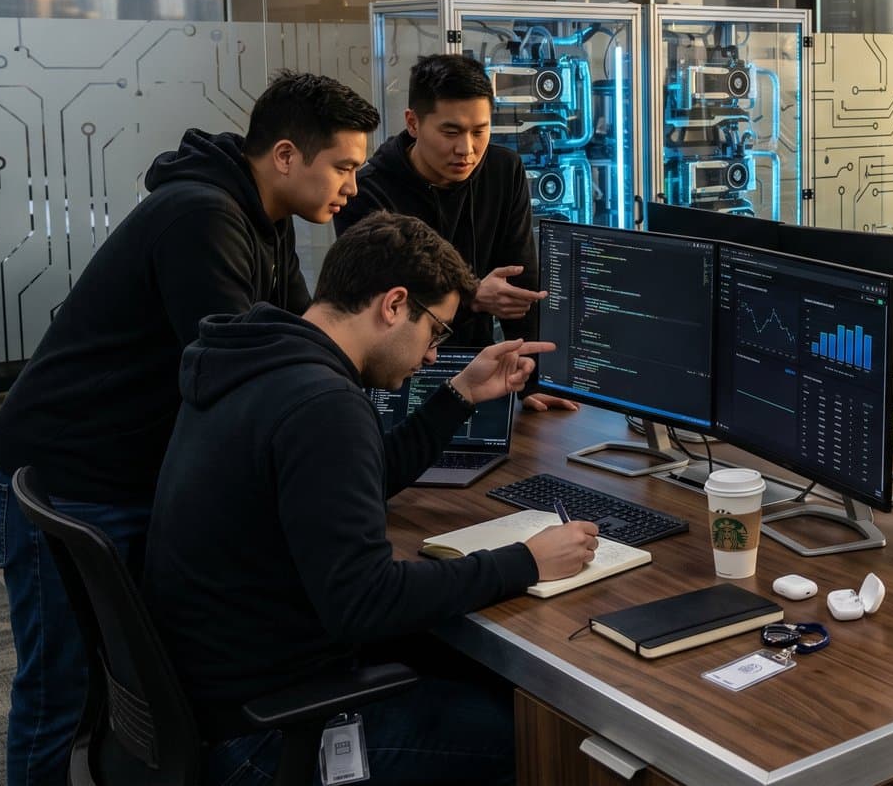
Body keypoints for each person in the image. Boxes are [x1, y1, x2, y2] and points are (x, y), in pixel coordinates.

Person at [0, 71, 379, 786]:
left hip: (117, 472)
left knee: (130, 683)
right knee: (59, 691)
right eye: (344, 167)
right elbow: (245, 369)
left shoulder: (265, 216)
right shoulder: (202, 217)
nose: (352, 186)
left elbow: (300, 341)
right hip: (64, 472)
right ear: (287, 156)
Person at [145, 211, 598, 785]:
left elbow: (349, 480)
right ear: (393, 304)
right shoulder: (323, 405)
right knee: (552, 742)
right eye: (435, 331)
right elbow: (366, 601)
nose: (434, 355)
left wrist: (458, 397)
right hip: (272, 734)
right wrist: (527, 561)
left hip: (215, 699)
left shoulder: (257, 360)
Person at [336, 54, 573, 413]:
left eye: (480, 131)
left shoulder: (503, 171)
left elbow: (520, 285)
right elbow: (383, 307)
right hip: (393, 376)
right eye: (451, 132)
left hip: (480, 371)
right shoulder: (367, 191)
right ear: (413, 123)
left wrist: (531, 379)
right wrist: (473, 295)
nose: (467, 149)